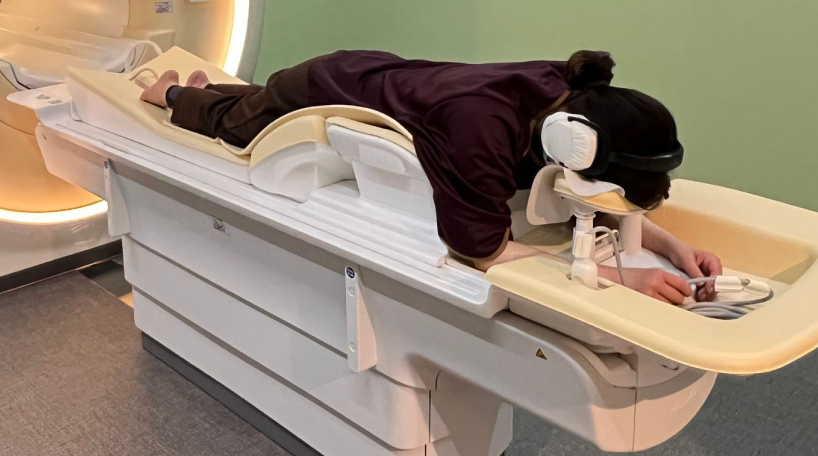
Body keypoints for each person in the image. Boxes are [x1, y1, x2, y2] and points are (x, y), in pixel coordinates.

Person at [139, 49, 720, 305]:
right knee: (238, 126)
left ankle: (219, 91)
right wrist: (623, 279)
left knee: (258, 103)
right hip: (324, 84)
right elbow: (482, 252)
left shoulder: (572, 100)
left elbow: (590, 194)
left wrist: (673, 248)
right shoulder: (480, 128)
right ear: (576, 143)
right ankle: (169, 93)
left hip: (379, 74)